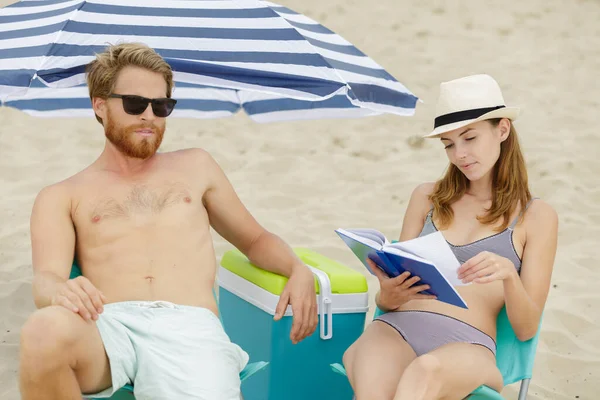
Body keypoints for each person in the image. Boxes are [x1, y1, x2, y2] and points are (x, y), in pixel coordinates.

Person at [18, 43, 318, 400]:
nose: (149, 116)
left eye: (161, 106)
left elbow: (253, 240)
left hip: (189, 326)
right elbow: (46, 280)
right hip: (108, 326)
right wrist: (60, 290)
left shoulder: (196, 166)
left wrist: (298, 269)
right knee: (43, 332)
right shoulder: (61, 195)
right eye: (134, 104)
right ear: (100, 105)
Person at [342, 74, 558, 400]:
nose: (459, 155)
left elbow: (526, 329)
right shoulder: (426, 198)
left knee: (423, 374)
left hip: (468, 344)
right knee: (373, 386)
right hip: (396, 328)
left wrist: (508, 278)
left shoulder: (536, 217)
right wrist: (387, 294)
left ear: (502, 129)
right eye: (449, 144)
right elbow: (386, 302)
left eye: (469, 138)